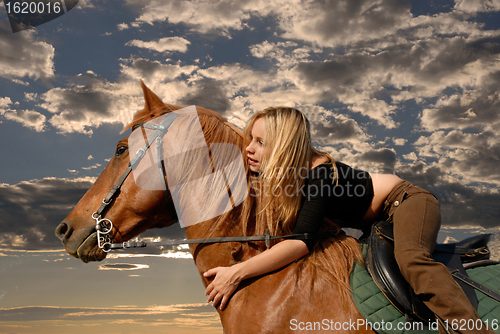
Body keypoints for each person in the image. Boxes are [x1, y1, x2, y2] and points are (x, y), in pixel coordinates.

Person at [203, 107, 490, 334]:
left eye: (261, 142)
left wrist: (238, 272)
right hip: (374, 221)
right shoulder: (288, 175)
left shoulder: (320, 175)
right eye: (250, 139)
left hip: (407, 201)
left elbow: (301, 243)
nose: (249, 148)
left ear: (285, 145)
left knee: (412, 259)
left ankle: (473, 330)